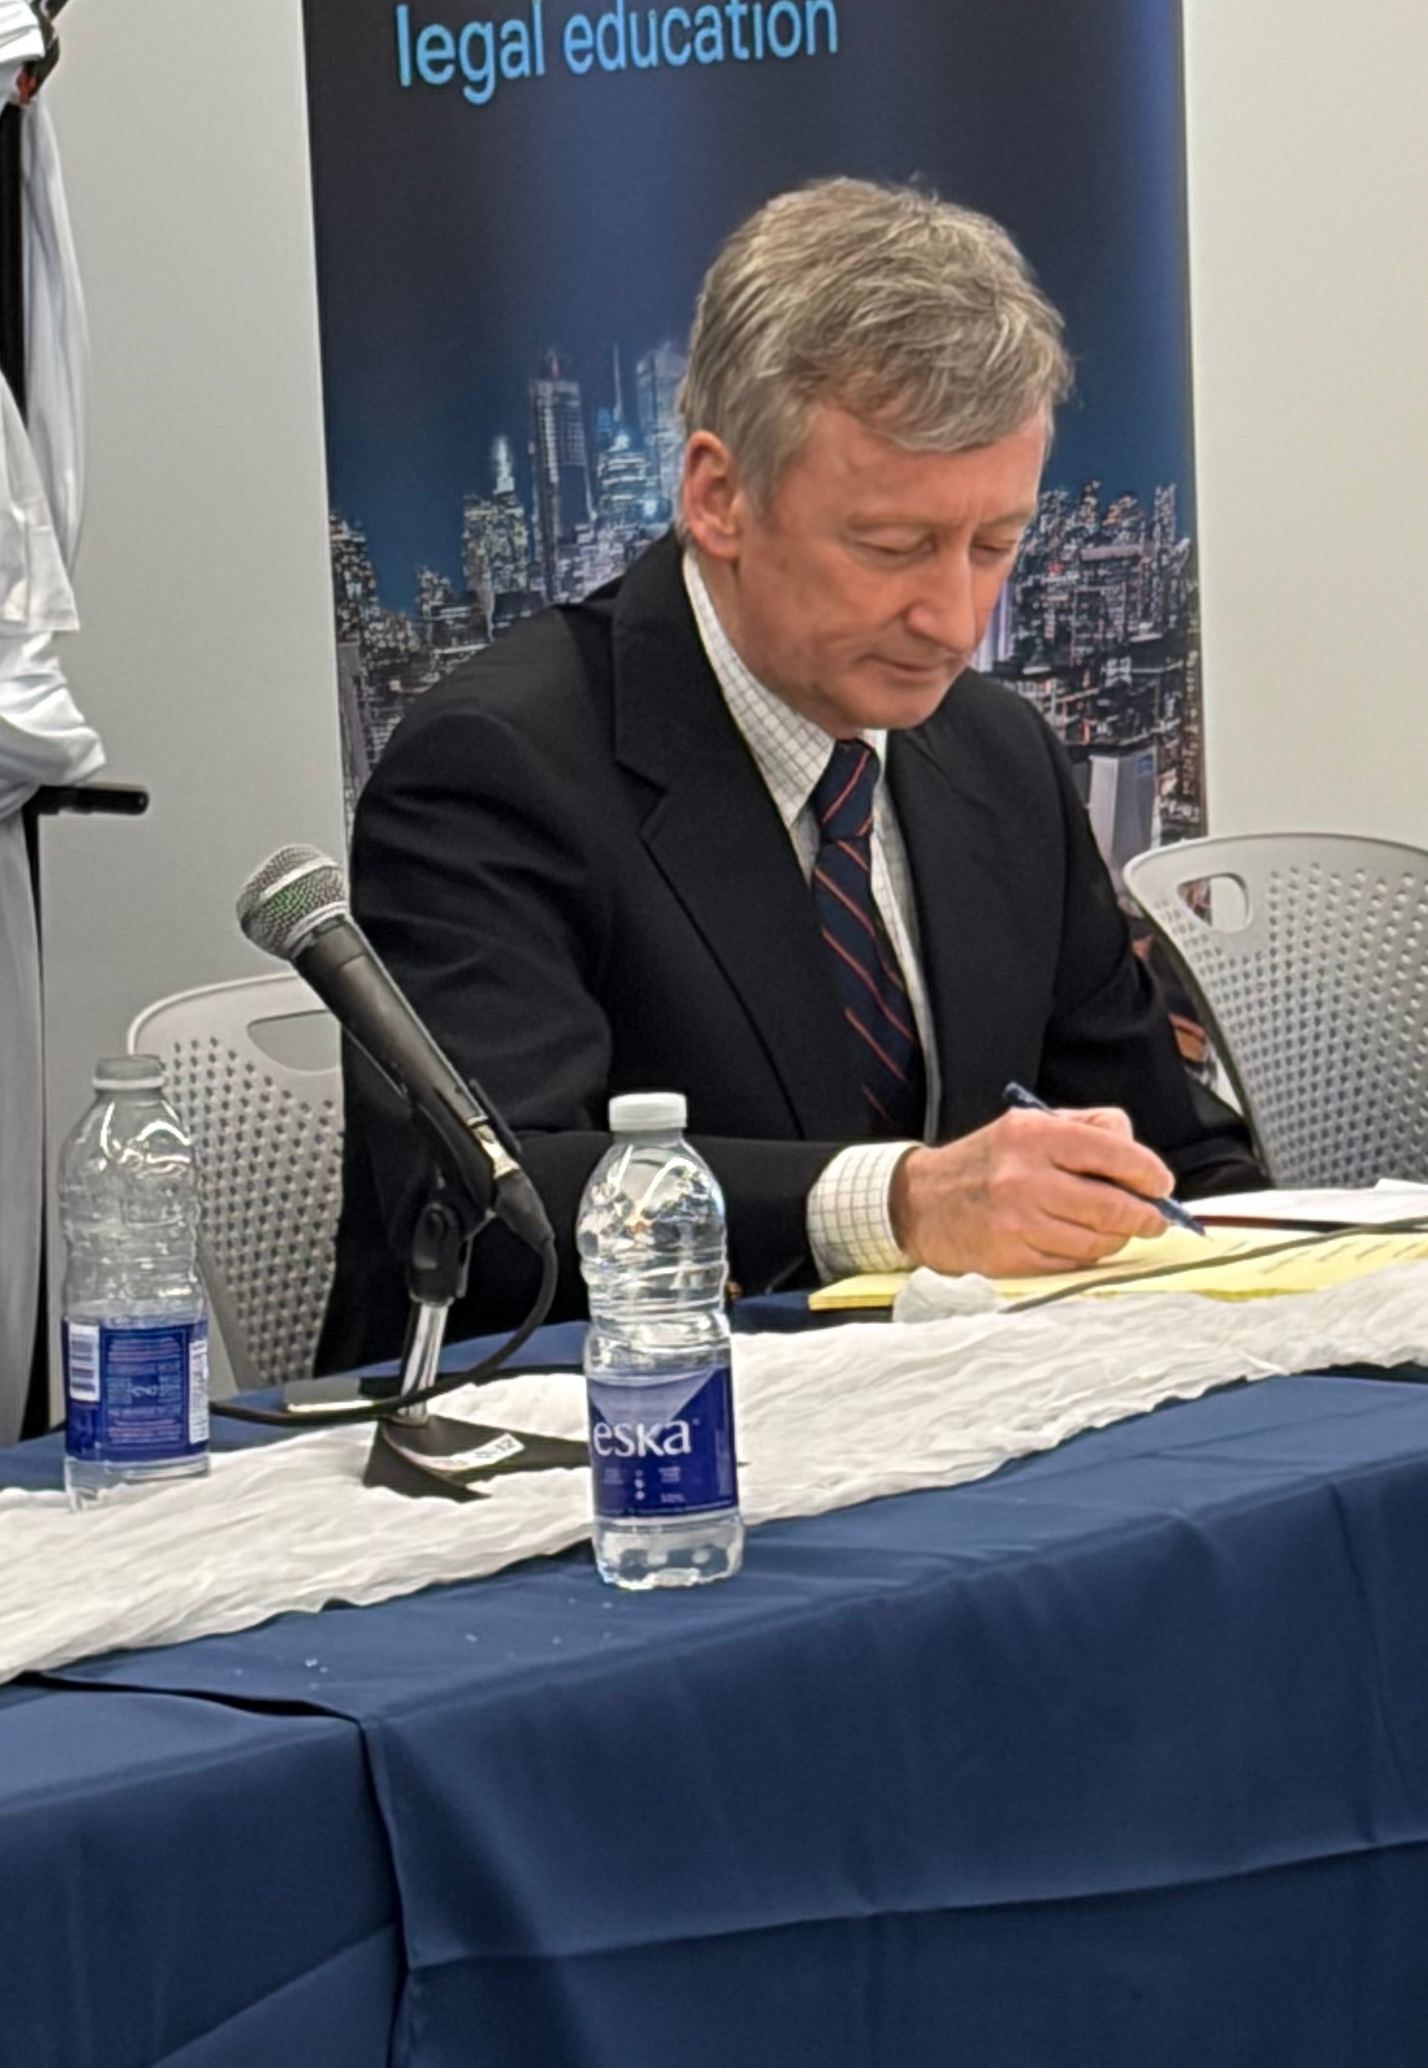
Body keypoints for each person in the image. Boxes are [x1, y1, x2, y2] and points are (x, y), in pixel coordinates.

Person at [322, 181, 1254, 1367]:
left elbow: (1172, 1153)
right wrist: (898, 1205)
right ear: (720, 497)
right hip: (605, 1430)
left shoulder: (999, 753)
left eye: (996, 545)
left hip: (967, 1415)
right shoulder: (497, 768)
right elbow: (495, 1205)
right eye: (892, 547)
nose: (955, 617)